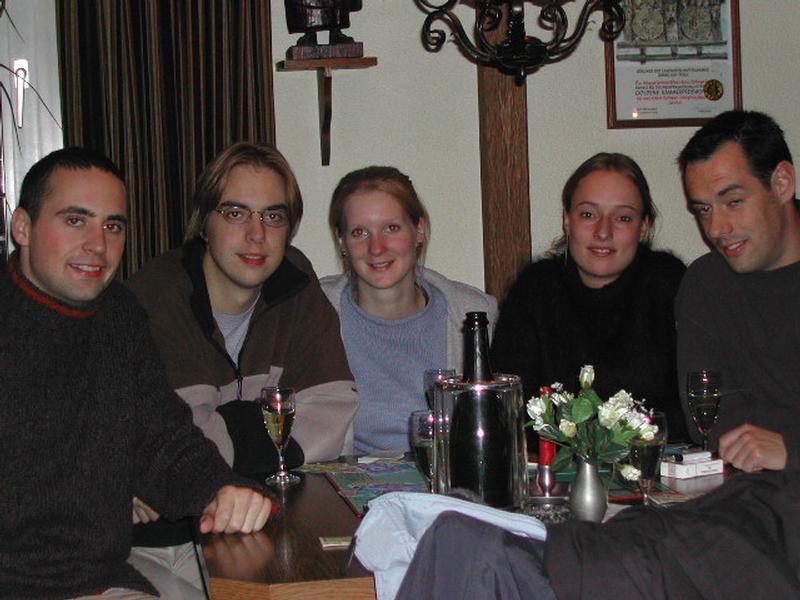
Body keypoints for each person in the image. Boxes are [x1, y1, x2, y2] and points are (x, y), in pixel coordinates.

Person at [0, 147, 272, 599]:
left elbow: (161, 440)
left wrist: (219, 489)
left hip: (100, 579)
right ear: (23, 227)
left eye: (113, 226)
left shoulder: (118, 315)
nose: (98, 245)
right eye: (75, 220)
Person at [125, 142, 358, 592]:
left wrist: (227, 425)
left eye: (273, 216)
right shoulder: (157, 298)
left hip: (268, 522)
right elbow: (180, 446)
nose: (257, 235)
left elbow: (336, 414)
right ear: (204, 222)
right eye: (235, 213)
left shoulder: (296, 282)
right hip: (163, 538)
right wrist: (269, 432)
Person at [491, 153, 687, 442]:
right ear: (567, 220)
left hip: (656, 462)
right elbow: (507, 411)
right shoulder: (536, 289)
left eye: (623, 218)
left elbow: (692, 409)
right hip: (552, 466)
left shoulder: (668, 284)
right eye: (588, 215)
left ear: (644, 227)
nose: (603, 232)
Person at [320, 166, 497, 454]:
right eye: (360, 232)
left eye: (391, 228)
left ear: (419, 231)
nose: (376, 248)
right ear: (342, 242)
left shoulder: (476, 314)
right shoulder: (315, 312)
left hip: (450, 481)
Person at [676, 109, 800, 472]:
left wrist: (790, 447)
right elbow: (713, 422)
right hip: (753, 490)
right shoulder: (706, 284)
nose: (716, 228)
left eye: (733, 202)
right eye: (703, 210)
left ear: (782, 184)